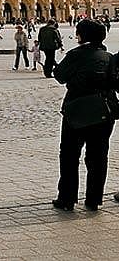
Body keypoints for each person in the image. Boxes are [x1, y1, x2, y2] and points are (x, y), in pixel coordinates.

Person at [52, 19, 115, 211]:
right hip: (103, 113)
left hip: (76, 112)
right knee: (98, 157)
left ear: (81, 35)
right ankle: (94, 199)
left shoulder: (75, 55)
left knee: (70, 155)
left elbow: (60, 76)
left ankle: (67, 199)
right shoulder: (108, 57)